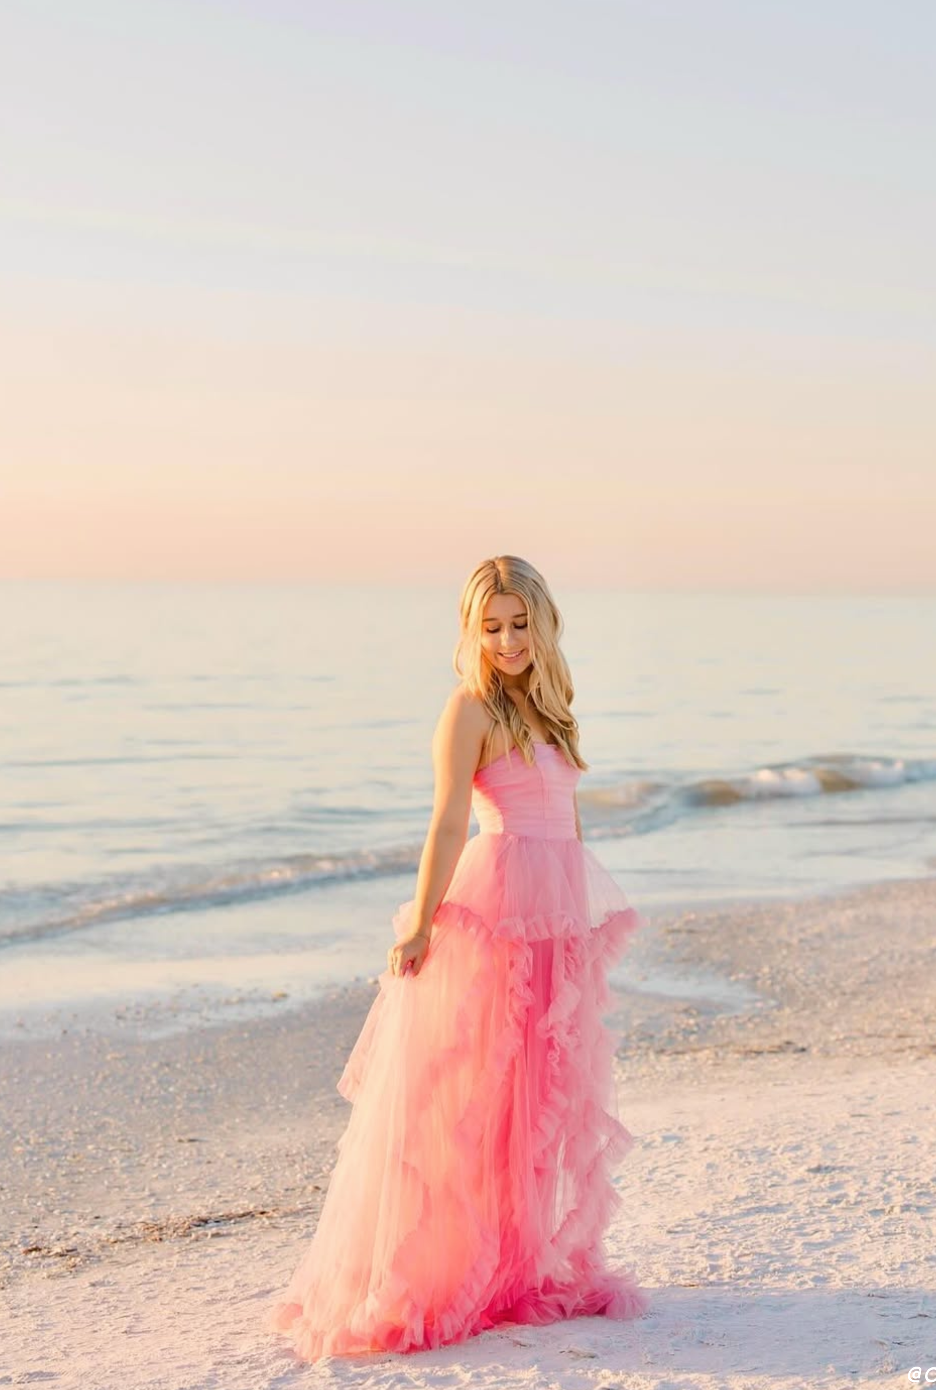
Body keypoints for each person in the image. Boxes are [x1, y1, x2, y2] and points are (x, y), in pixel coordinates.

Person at [264, 555, 649, 1359]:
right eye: (492, 627)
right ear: (473, 632)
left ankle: (519, 1267)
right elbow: (447, 822)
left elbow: (569, 823)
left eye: (519, 624)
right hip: (496, 909)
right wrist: (423, 922)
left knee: (539, 1093)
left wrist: (577, 919)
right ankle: (447, 1270)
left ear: (542, 624)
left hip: (555, 914)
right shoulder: (468, 710)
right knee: (477, 1097)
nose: (508, 641)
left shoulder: (552, 711)